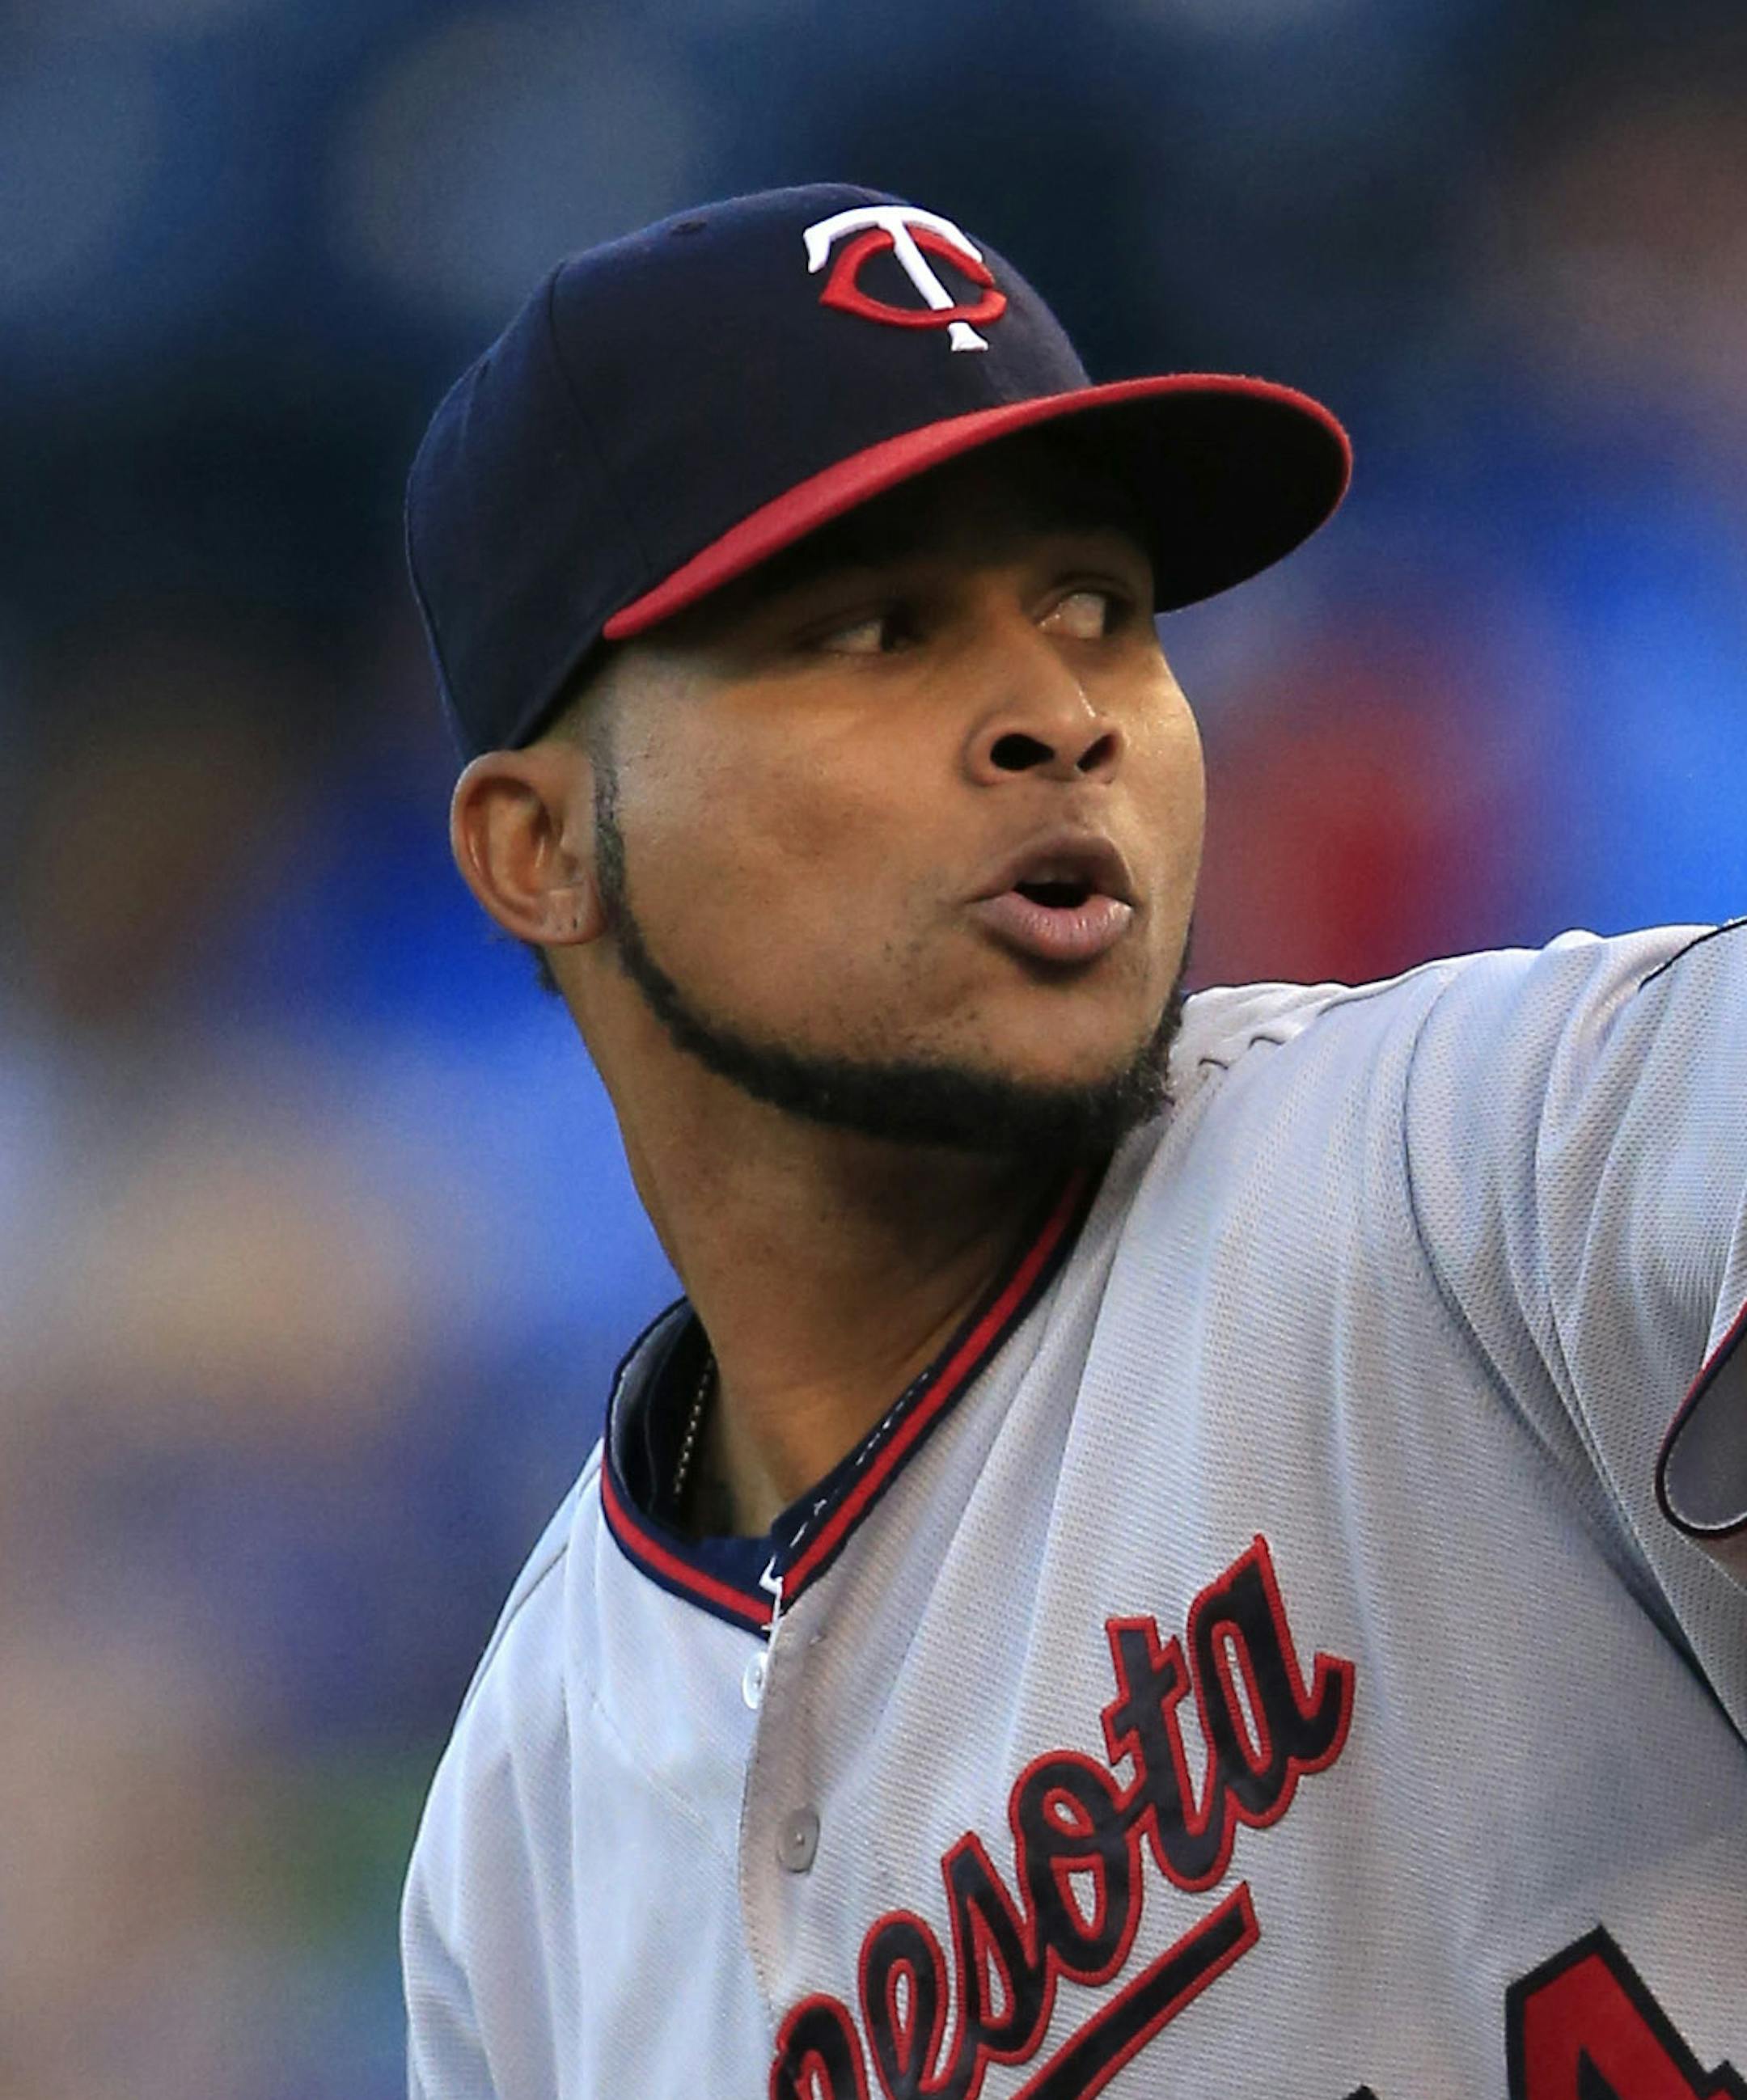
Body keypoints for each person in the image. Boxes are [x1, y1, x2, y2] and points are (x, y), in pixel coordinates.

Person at [400, 184, 1746, 2099]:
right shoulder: (520, 1846)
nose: (1058, 715)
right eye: (874, 630)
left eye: (1100, 615)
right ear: (540, 851)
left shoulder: (1484, 1164)